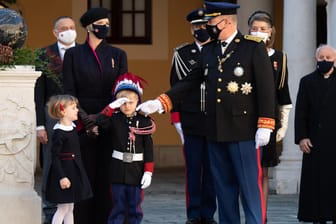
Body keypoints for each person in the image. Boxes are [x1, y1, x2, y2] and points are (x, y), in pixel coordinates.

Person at [137, 2, 276, 224]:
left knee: (250, 188)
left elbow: (266, 88)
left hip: (243, 131)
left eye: (212, 23)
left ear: (227, 22)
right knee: (224, 190)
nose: (208, 28)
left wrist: (265, 124)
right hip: (214, 131)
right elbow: (190, 82)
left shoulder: (252, 47)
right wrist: (161, 102)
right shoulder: (210, 50)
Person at [62, 7, 128, 224]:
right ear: (89, 27)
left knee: (106, 175)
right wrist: (86, 120)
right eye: (101, 23)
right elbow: (69, 90)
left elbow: (121, 91)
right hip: (82, 123)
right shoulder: (73, 55)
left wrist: (101, 119)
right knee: (84, 173)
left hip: (108, 120)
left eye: (107, 23)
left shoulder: (118, 55)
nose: (105, 27)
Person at [169, 8, 217, 224]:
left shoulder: (218, 51)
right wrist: (177, 119)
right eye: (197, 26)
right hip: (191, 119)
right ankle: (193, 214)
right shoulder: (182, 54)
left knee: (213, 170)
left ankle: (208, 213)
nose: (201, 29)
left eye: (204, 26)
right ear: (191, 29)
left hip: (216, 121)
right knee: (194, 169)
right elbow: (176, 87)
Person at [247, 10, 292, 219]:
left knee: (263, 172)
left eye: (263, 29)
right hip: (244, 120)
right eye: (255, 29)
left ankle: (261, 216)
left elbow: (283, 93)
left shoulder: (279, 58)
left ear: (271, 31)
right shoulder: (243, 53)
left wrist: (282, 125)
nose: (259, 32)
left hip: (268, 120)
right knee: (247, 172)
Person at [95, 72, 156, 224]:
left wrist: (148, 171)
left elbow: (148, 149)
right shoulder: (114, 119)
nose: (127, 106)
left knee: (135, 208)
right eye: (123, 102)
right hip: (117, 170)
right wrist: (110, 107)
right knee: (118, 207)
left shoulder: (144, 121)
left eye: (131, 102)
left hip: (136, 171)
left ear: (138, 102)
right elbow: (101, 122)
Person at [34, 16, 77, 224]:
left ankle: (76, 210)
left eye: (72, 27)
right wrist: (40, 125)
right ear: (55, 32)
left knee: (77, 162)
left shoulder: (83, 52)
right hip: (52, 117)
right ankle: (50, 211)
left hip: (79, 114)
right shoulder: (43, 55)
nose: (68, 31)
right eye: (63, 28)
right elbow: (38, 94)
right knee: (52, 162)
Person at [295, 44, 336, 224]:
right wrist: (302, 137)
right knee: (316, 183)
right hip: (315, 141)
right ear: (316, 59)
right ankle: (316, 217)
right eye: (321, 58)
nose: (325, 61)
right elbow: (301, 112)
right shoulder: (307, 81)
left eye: (328, 58)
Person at [45, 94, 92, 224]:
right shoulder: (59, 132)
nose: (77, 110)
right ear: (63, 111)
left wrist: (89, 134)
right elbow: (55, 157)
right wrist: (62, 177)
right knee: (63, 208)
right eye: (73, 107)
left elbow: (75, 144)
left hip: (73, 171)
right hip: (64, 173)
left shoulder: (71, 128)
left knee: (70, 207)